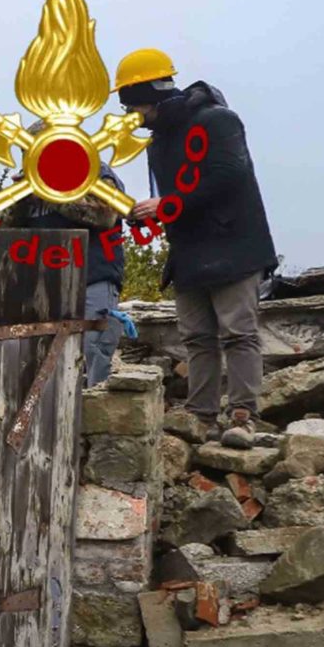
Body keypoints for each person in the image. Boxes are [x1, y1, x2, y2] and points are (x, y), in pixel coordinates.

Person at [115, 48, 277, 446]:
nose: (129, 113)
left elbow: (229, 175)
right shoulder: (158, 143)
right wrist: (152, 213)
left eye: (131, 103)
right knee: (197, 337)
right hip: (188, 252)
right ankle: (199, 416)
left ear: (147, 93)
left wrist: (167, 205)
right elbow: (175, 200)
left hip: (234, 246)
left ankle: (243, 417)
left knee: (238, 333)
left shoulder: (217, 120)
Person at [8, 129, 131, 386]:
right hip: (45, 287)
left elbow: (106, 215)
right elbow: (4, 230)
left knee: (94, 350)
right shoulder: (27, 184)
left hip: (92, 279)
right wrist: (19, 198)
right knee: (42, 360)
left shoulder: (96, 171)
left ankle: (96, 409)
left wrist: (51, 189)